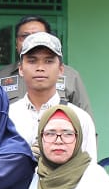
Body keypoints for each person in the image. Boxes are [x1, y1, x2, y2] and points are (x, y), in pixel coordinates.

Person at [6, 30, 98, 161]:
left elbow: (89, 170)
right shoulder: (8, 116)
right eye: (32, 61)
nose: (40, 68)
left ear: (61, 69)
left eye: (48, 61)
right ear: (20, 69)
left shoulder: (79, 118)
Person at [0, 16, 92, 113]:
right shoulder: (1, 77)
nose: (31, 40)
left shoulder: (71, 76)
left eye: (48, 61)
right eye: (25, 36)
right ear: (17, 42)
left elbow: (84, 118)